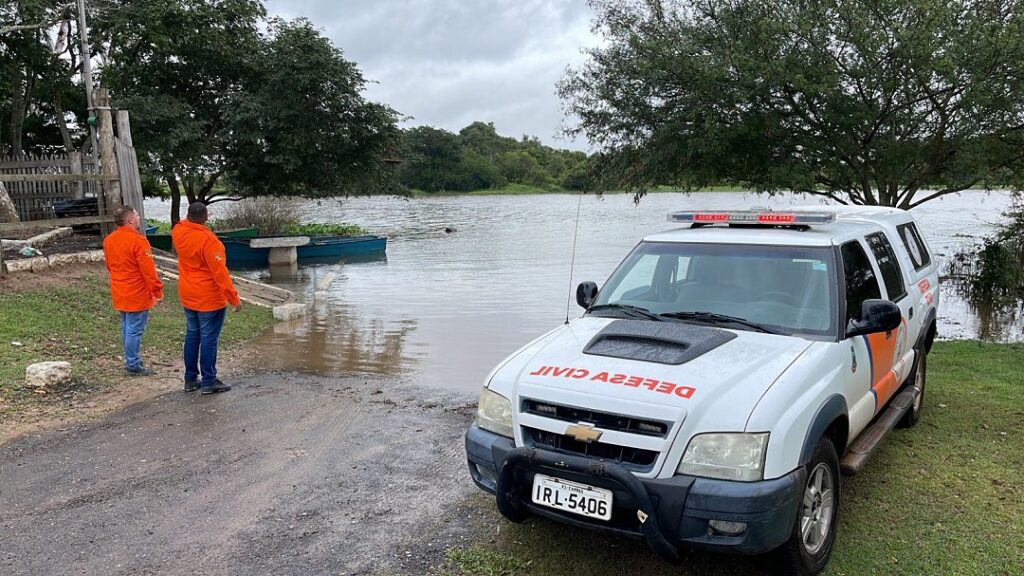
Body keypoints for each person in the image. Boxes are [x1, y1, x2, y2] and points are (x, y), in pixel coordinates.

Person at [171, 202, 241, 394]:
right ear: (206, 218)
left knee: (192, 335)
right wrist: (233, 297)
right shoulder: (209, 241)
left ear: (188, 215)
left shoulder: (178, 231)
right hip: (208, 297)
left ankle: (190, 379)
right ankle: (209, 380)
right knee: (209, 338)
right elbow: (219, 273)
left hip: (188, 293)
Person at [103, 205, 164, 376]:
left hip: (119, 289)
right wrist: (157, 290)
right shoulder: (138, 241)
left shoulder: (109, 240)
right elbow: (148, 270)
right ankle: (133, 363)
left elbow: (109, 266)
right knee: (134, 329)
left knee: (127, 327)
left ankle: (131, 359)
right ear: (130, 219)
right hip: (136, 292)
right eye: (137, 215)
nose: (139, 218)